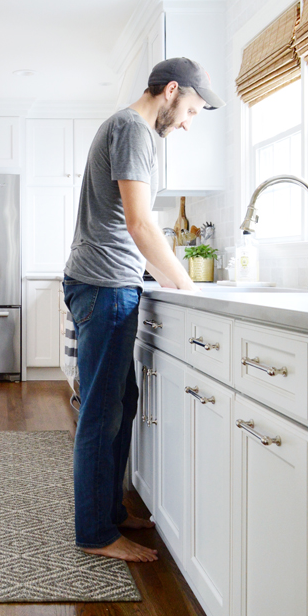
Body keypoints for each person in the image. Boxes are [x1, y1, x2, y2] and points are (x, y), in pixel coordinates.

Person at [63, 58, 225, 563]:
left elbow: (136, 226)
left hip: (107, 283)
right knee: (101, 414)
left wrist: (166, 275)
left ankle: (109, 512)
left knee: (120, 405)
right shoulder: (133, 129)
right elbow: (139, 224)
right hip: (105, 285)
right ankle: (94, 532)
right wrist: (183, 284)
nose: (188, 122)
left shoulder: (129, 129)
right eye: (191, 110)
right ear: (171, 90)